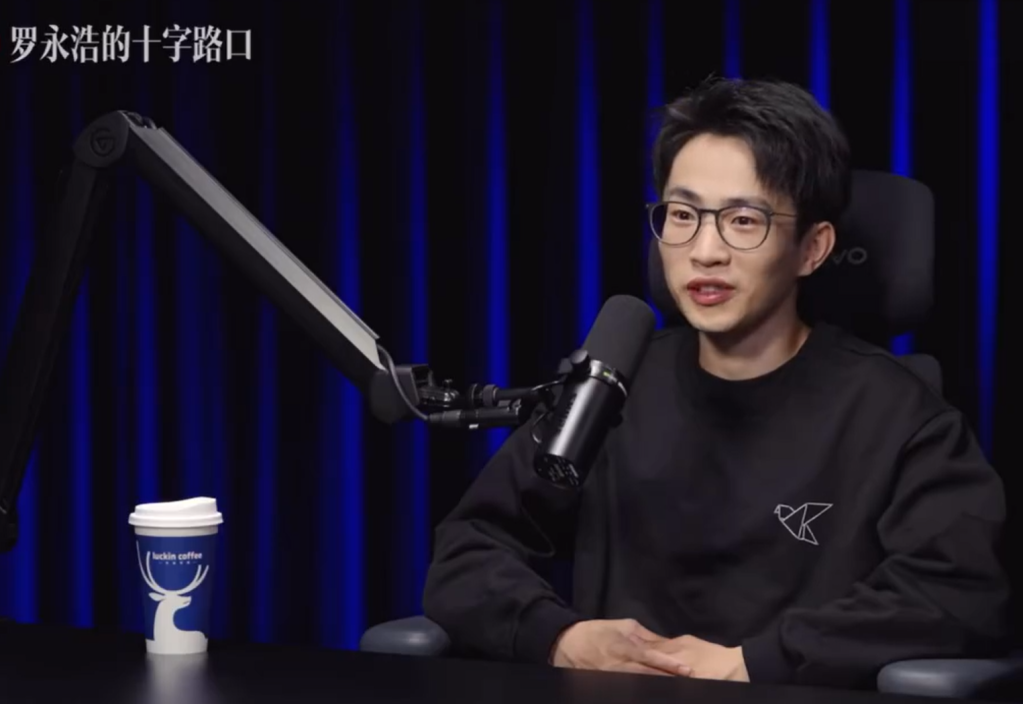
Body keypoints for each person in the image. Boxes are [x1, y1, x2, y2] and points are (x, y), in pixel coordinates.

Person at [420, 77, 1010, 689]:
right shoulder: (612, 388)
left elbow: (959, 592)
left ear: (812, 248)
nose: (705, 251)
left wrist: (753, 663)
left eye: (743, 220)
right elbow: (469, 548)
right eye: (682, 215)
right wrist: (558, 637)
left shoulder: (898, 415)